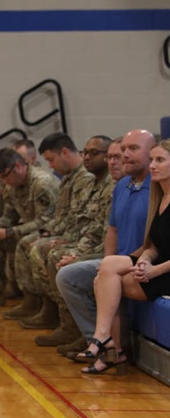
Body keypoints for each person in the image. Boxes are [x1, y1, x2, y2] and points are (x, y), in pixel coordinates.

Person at [55, 130, 154, 357]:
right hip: (118, 258)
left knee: (108, 278)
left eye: (133, 149)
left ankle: (109, 347)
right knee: (68, 276)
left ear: (151, 152)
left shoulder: (157, 187)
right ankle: (100, 342)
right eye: (123, 150)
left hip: (141, 260)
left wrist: (123, 263)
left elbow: (156, 241)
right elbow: (113, 229)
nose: (125, 155)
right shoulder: (121, 185)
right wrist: (107, 260)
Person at [77, 138, 170, 375]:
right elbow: (153, 245)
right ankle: (106, 341)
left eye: (160, 160)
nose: (153, 166)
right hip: (158, 264)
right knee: (108, 267)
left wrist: (154, 270)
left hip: (166, 271)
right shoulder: (158, 196)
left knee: (105, 281)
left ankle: (109, 345)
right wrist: (144, 260)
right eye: (152, 160)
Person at [3, 133, 94, 326]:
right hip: (66, 231)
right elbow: (61, 216)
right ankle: (42, 305)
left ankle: (64, 319)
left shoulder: (84, 177)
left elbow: (82, 220)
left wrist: (56, 237)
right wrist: (47, 233)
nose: (50, 165)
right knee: (31, 244)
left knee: (43, 250)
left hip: (81, 237)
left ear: (64, 152)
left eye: (51, 160)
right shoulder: (69, 178)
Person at [33, 135, 115, 347]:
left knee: (57, 257)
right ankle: (62, 319)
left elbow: (101, 232)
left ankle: (75, 328)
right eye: (85, 152)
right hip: (91, 244)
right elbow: (83, 222)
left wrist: (77, 253)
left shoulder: (112, 186)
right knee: (43, 248)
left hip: (110, 253)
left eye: (94, 153)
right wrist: (68, 244)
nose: (87, 157)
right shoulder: (93, 182)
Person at [0, 148, 59, 306]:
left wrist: (8, 232)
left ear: (18, 166)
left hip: (51, 231)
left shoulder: (41, 182)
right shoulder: (12, 185)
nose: (4, 182)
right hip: (29, 228)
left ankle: (32, 300)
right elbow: (10, 215)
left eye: (5, 176)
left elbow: (45, 221)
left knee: (25, 243)